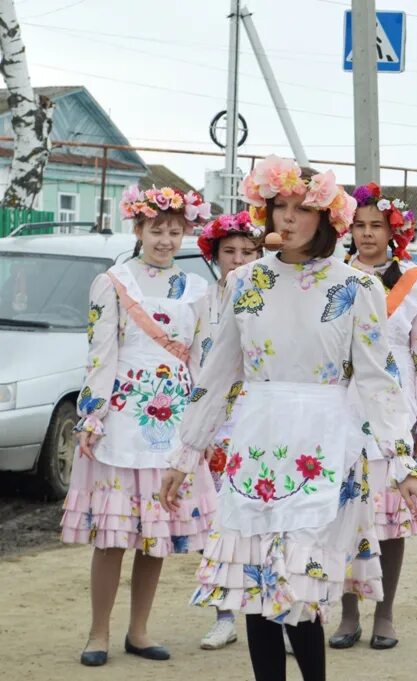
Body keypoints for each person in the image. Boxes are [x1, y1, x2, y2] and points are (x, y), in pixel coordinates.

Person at [159, 156, 417, 681]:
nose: (286, 218)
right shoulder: (244, 282)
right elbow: (216, 377)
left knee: (301, 593)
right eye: (277, 206)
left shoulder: (357, 288)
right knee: (258, 593)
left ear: (327, 216)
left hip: (324, 444)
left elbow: (378, 382)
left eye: (299, 209)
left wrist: (403, 464)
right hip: (256, 442)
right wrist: (184, 455)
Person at [61, 185, 214, 667]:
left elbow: (206, 357)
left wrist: (206, 421)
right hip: (122, 421)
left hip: (173, 425)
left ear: (185, 232)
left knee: (156, 535)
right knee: (112, 537)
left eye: (174, 231)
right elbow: (100, 353)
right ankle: (98, 632)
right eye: (156, 230)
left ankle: (139, 631)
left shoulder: (197, 288)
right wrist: (91, 413)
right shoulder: (113, 281)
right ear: (138, 230)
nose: (166, 239)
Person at [331, 183, 417, 650]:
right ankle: (346, 613)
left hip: (394, 407)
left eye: (376, 225)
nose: (366, 234)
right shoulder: (333, 275)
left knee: (389, 517)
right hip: (341, 404)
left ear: (393, 232)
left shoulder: (416, 282)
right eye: (358, 225)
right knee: (341, 513)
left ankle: (385, 613)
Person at [192, 210, 264, 650]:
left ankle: (273, 613)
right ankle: (224, 613)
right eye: (229, 252)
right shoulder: (200, 302)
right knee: (216, 523)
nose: (238, 260)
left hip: (258, 422)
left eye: (247, 252)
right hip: (214, 425)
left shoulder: (268, 298)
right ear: (214, 255)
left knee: (261, 521)